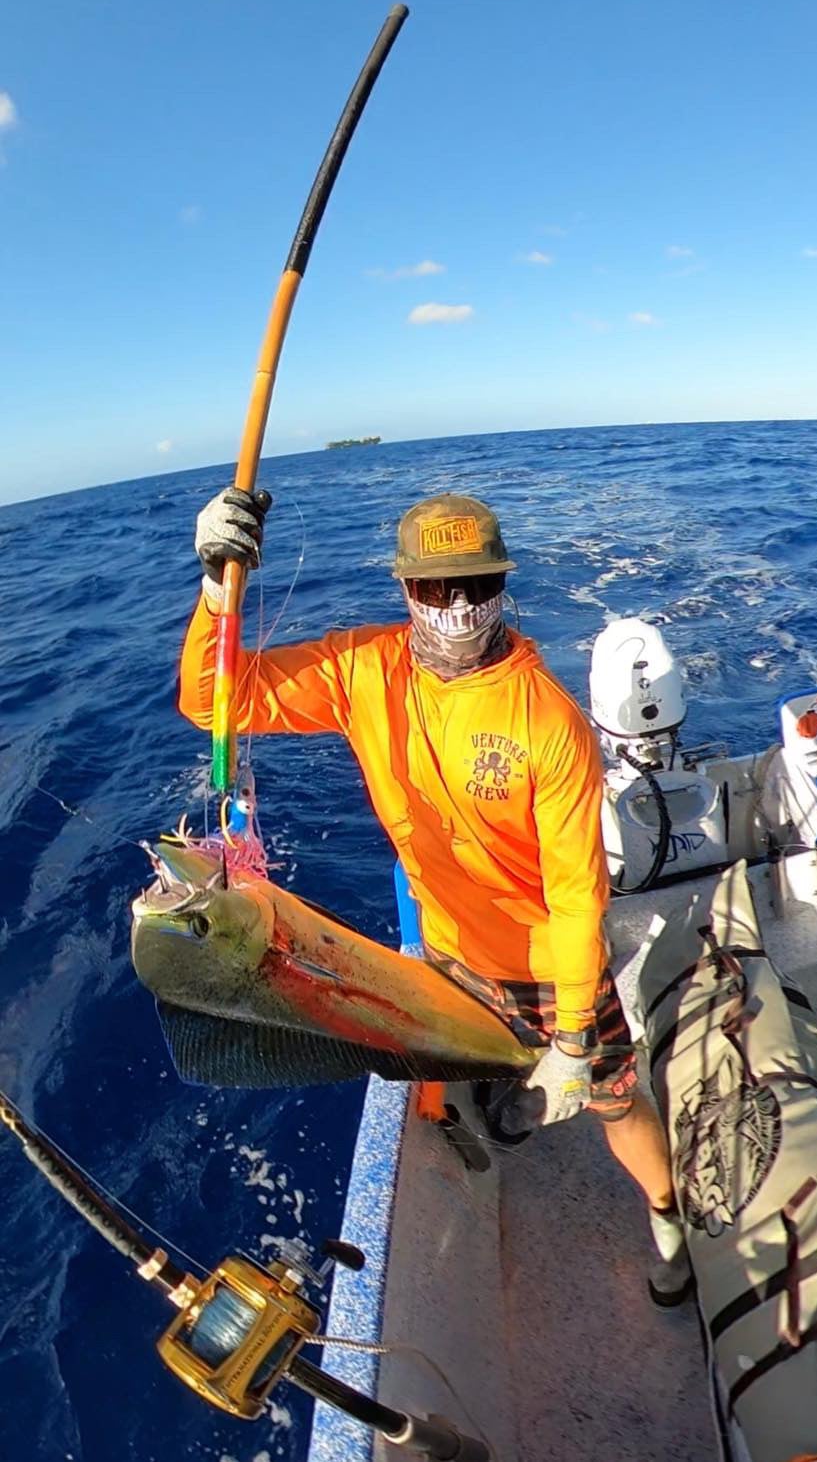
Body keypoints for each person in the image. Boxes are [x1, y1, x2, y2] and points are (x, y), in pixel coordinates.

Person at [180, 485, 691, 1303]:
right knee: (449, 1060)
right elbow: (215, 702)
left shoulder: (548, 721)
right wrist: (217, 588)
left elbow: (575, 896)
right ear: (406, 589)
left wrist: (571, 1033)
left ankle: (668, 1217)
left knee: (613, 1100)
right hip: (444, 948)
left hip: (544, 964)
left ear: (502, 587)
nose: (458, 606)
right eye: (436, 586)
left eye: (477, 585)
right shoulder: (361, 669)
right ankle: (505, 1090)